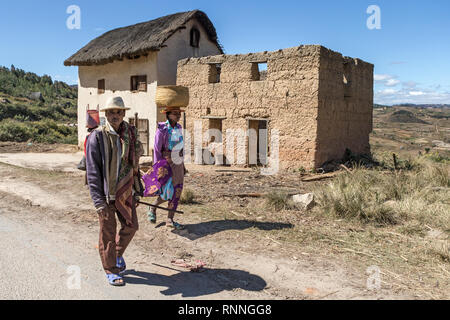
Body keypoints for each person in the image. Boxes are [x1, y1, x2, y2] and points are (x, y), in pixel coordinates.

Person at [85, 96, 144, 286]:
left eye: (118, 112)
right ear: (106, 114)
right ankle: (110, 269)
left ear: (124, 113)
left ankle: (116, 254)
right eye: (111, 112)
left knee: (132, 226)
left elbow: (134, 164)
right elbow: (92, 171)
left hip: (126, 191)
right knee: (108, 233)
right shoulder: (98, 136)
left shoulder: (130, 134)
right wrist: (98, 201)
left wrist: (137, 189)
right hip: (107, 194)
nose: (115, 115)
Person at [142, 106, 186, 230]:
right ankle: (153, 207)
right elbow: (157, 149)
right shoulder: (162, 129)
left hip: (178, 163)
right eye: (175, 113)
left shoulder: (178, 128)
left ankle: (169, 219)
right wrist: (157, 167)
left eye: (179, 113)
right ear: (168, 114)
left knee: (177, 190)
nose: (178, 115)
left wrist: (183, 164)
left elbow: (181, 146)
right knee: (167, 189)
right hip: (165, 163)